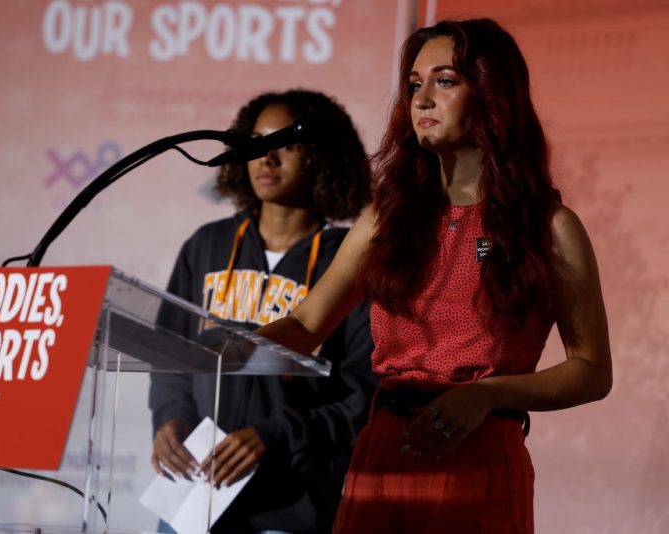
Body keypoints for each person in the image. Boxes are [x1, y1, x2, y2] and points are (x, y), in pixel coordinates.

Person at [256, 18, 613, 534]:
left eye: (444, 81)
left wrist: (490, 393)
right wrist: (220, 347)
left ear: (492, 94)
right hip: (381, 453)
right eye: (415, 84)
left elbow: (592, 370)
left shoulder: (550, 228)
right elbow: (306, 325)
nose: (421, 99)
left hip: (477, 453)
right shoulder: (387, 217)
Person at [148, 89, 377, 533]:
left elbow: (363, 392)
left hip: (290, 503)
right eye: (256, 143)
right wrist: (170, 421)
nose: (266, 159)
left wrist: (275, 437)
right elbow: (170, 357)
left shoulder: (347, 262)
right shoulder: (206, 245)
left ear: (323, 156)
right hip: (195, 496)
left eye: (286, 145)